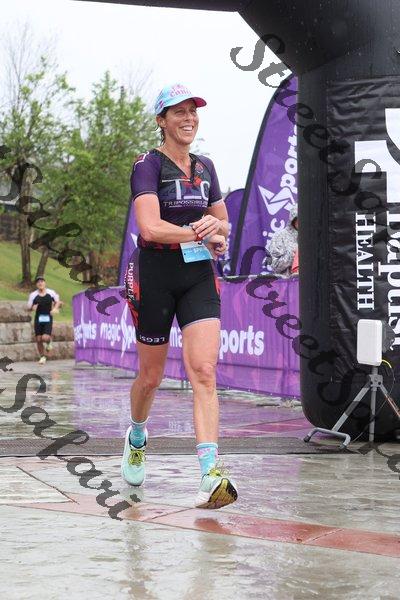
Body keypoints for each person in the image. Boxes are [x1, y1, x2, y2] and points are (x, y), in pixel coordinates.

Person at [121, 83, 238, 509]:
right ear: (162, 120)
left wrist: (217, 232)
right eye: (179, 112)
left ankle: (210, 473)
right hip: (153, 274)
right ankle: (137, 435)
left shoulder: (206, 166)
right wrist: (198, 232)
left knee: (203, 371)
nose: (189, 119)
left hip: (197, 276)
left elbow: (224, 222)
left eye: (193, 111)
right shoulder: (147, 165)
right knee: (150, 377)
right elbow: (150, 227)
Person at [27, 277, 61, 364]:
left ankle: (49, 342)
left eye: (41, 281)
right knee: (38, 339)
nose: (40, 283)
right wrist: (32, 308)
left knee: (44, 337)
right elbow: (29, 307)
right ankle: (42, 357)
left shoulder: (51, 292)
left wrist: (55, 308)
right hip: (38, 318)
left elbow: (58, 302)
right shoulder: (33, 295)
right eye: (38, 282)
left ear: (44, 283)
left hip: (48, 317)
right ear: (36, 285)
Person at [269, 205, 298, 277]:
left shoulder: (314, 238)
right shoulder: (280, 236)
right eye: (298, 218)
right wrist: (293, 255)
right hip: (289, 282)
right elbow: (274, 265)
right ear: (293, 219)